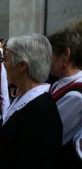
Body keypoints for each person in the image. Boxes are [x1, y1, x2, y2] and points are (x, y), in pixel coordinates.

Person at [0, 33, 62, 169]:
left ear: (22, 65)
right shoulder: (24, 98)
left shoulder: (41, 113)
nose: (4, 65)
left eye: (7, 60)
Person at [48, 21, 82, 168]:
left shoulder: (76, 95)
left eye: (51, 55)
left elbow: (52, 136)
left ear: (65, 56)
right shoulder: (58, 82)